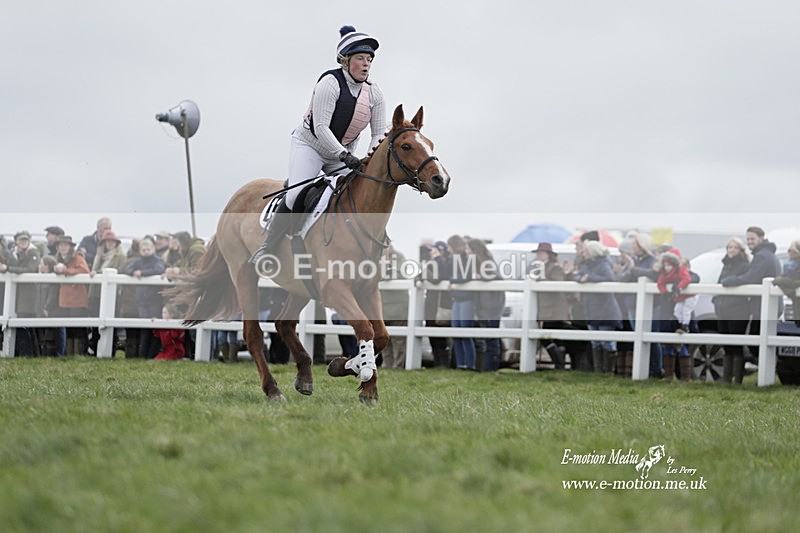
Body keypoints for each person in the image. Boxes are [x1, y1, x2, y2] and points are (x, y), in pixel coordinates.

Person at [252, 25, 386, 261]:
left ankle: (373, 246)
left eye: (369, 59)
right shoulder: (329, 83)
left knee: (363, 191)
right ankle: (268, 247)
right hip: (311, 147)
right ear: (345, 61)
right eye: (360, 59)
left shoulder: (375, 93)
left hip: (344, 154)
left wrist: (368, 158)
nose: (366, 64)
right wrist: (344, 156)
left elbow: (378, 133)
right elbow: (321, 128)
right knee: (295, 195)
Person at [721, 226, 783, 361]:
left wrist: (732, 280)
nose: (749, 241)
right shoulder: (768, 254)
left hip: (763, 307)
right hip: (767, 306)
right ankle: (766, 368)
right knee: (761, 342)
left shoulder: (762, 256)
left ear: (761, 238)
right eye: (748, 239)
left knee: (756, 343)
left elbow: (751, 277)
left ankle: (766, 368)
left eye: (752, 239)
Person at [531, 242, 588, 371]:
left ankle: (559, 361)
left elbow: (557, 283)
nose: (538, 256)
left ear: (548, 255)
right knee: (553, 336)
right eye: (538, 253)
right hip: (548, 307)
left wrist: (539, 281)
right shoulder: (541, 268)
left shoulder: (554, 268)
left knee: (547, 334)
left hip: (555, 308)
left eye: (541, 253)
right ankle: (559, 361)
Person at [577, 240, 622, 373]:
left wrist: (590, 278)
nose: (583, 253)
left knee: (607, 341)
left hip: (604, 309)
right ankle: (598, 371)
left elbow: (609, 278)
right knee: (595, 341)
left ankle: (608, 371)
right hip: (591, 308)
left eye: (585, 251)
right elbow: (577, 276)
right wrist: (581, 278)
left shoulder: (604, 264)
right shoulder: (585, 265)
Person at [713, 237, 751, 384]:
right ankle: (727, 378)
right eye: (729, 247)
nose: (732, 250)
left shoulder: (744, 266)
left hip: (738, 309)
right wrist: (716, 301)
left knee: (736, 343)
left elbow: (743, 282)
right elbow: (720, 283)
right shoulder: (725, 265)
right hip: (722, 308)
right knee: (725, 343)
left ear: (740, 250)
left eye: (735, 247)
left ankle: (738, 379)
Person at [656, 249, 696, 381]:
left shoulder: (683, 272)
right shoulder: (663, 274)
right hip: (667, 313)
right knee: (667, 343)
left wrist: (677, 286)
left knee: (682, 343)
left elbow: (692, 278)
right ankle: (669, 375)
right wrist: (665, 292)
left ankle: (685, 377)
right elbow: (660, 282)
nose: (667, 267)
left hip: (679, 312)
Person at [0, 231, 42, 355]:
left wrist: (8, 269)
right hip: (18, 296)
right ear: (16, 241)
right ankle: (25, 353)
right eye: (21, 240)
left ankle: (30, 354)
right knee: (22, 327)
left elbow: (31, 269)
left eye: (25, 240)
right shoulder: (14, 254)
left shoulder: (33, 253)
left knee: (28, 327)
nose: (23, 242)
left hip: (29, 296)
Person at [124, 237, 166, 359]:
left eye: (148, 249)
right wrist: (133, 272)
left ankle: (152, 354)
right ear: (140, 251)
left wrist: (142, 273)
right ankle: (143, 355)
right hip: (142, 300)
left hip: (154, 299)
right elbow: (128, 269)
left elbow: (159, 269)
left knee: (155, 328)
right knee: (144, 328)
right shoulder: (138, 262)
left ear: (153, 249)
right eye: (143, 249)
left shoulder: (157, 260)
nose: (146, 252)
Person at [468, 238, 505, 372]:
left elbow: (497, 277)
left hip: (492, 306)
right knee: (486, 339)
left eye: (469, 249)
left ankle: (491, 368)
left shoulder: (487, 263)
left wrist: (481, 276)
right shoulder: (477, 263)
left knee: (491, 339)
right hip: (484, 306)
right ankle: (487, 368)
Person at [53, 235, 90, 355]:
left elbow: (84, 270)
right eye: (60, 245)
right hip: (64, 299)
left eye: (65, 245)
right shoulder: (57, 259)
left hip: (77, 299)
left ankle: (79, 353)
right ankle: (69, 354)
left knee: (78, 328)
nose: (63, 247)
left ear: (70, 247)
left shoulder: (77, 257)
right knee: (68, 328)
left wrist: (65, 271)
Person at [446, 235, 476, 370]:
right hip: (457, 299)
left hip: (466, 299)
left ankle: (470, 364)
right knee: (456, 332)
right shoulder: (452, 259)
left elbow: (466, 276)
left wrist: (453, 280)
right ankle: (461, 364)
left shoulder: (467, 258)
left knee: (465, 332)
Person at [380, 244, 410, 369]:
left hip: (398, 305)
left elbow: (401, 274)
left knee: (399, 339)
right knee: (384, 338)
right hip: (382, 305)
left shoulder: (399, 257)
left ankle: (398, 365)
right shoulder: (374, 256)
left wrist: (385, 274)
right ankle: (387, 364)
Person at [36, 255, 64, 356]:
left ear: (47, 266)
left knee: (51, 335)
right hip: (41, 310)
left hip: (51, 311)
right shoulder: (40, 277)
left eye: (41, 264)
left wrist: (47, 307)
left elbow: (53, 294)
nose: (39, 266)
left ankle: (54, 355)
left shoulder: (53, 279)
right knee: (43, 335)